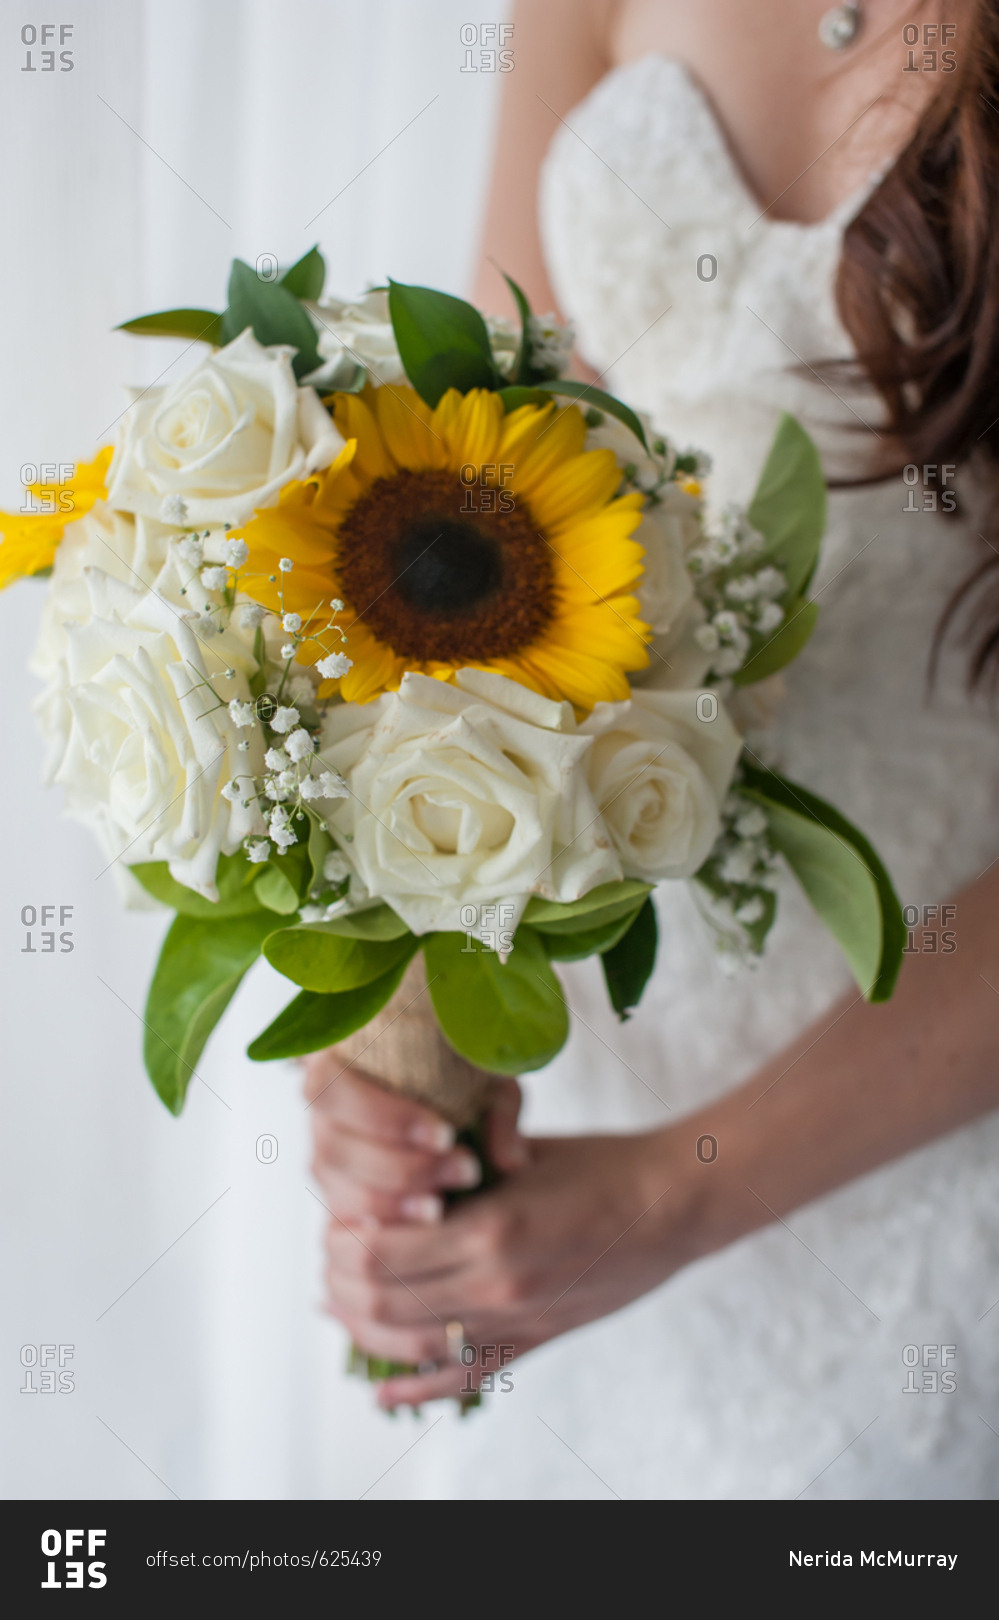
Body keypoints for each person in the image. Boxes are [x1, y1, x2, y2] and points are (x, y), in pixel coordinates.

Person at [307, 0, 999, 1497]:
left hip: (935, 1113)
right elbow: (468, 540)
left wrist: (665, 1204)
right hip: (582, 1130)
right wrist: (409, 1061)